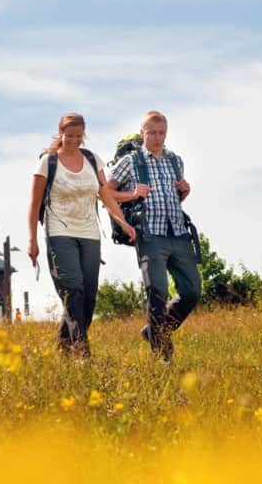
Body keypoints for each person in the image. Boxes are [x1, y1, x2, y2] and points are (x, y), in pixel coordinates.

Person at [28, 113, 137, 357]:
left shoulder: (91, 159)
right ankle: (82, 352)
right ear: (61, 134)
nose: (74, 141)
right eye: (70, 136)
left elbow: (105, 195)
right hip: (59, 233)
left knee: (88, 296)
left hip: (89, 234)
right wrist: (32, 240)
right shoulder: (48, 162)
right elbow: (34, 205)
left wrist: (123, 222)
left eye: (79, 136)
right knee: (73, 291)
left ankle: (63, 349)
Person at [106, 110, 201, 363]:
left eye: (161, 133)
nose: (157, 138)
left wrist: (184, 191)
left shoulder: (175, 161)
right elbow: (104, 193)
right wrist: (133, 194)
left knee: (192, 291)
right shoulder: (130, 161)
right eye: (152, 133)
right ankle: (163, 356)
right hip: (149, 234)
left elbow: (175, 197)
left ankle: (153, 332)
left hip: (178, 232)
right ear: (142, 134)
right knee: (157, 292)